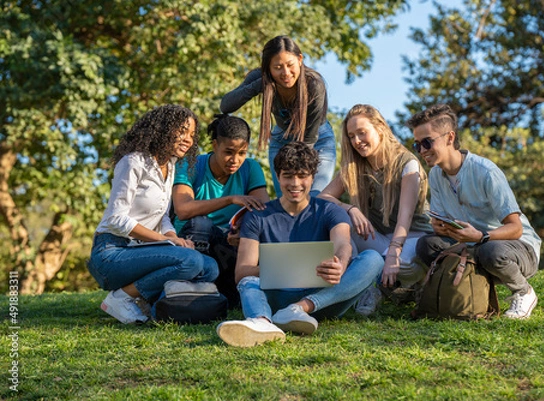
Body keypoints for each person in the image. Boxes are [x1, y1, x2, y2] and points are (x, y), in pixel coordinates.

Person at [216, 142, 383, 347]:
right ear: (277, 177)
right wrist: (288, 269)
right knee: (248, 282)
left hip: (323, 300)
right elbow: (242, 271)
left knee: (373, 259)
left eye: (302, 175)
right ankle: (261, 322)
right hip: (275, 299)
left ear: (313, 177)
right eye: (288, 175)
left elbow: (343, 244)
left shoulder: (330, 210)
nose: (295, 183)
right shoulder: (257, 215)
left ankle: (299, 309)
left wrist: (340, 263)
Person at [406, 104, 542, 319]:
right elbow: (444, 224)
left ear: (450, 138)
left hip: (515, 250)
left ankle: (523, 292)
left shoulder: (486, 171)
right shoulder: (435, 176)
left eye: (427, 142)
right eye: (417, 145)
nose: (422, 150)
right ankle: (463, 288)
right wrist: (440, 228)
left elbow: (515, 228)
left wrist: (481, 236)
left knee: (491, 251)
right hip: (472, 246)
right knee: (427, 244)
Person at [88, 105, 219, 324]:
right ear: (163, 129)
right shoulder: (133, 162)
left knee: (209, 267)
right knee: (191, 262)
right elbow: (116, 219)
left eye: (192, 135)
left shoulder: (171, 166)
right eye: (182, 131)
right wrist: (165, 240)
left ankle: (157, 308)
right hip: (112, 251)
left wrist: (172, 237)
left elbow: (163, 216)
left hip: (144, 250)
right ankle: (121, 298)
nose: (188, 139)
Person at [319, 104, 433, 314]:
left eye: (362, 133)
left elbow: (405, 218)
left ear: (380, 127)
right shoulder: (355, 166)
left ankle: (408, 282)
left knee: (404, 264)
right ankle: (368, 289)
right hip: (379, 239)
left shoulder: (407, 164)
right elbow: (322, 198)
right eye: (352, 136)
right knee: (338, 219)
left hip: (412, 239)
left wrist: (392, 256)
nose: (357, 141)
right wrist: (350, 208)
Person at [172, 114, 270, 306]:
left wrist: (244, 233)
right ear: (215, 145)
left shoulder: (250, 168)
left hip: (228, 246)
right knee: (201, 223)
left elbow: (264, 214)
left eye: (242, 153)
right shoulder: (190, 165)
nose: (235, 160)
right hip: (192, 243)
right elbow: (183, 209)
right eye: (229, 152)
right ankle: (193, 290)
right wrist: (230, 199)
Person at [220, 35, 336, 197]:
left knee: (314, 198)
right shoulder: (261, 78)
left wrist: (298, 176)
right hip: (281, 140)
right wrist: (260, 85)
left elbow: (308, 140)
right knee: (287, 200)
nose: (286, 73)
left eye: (290, 65)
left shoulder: (314, 85)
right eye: (278, 67)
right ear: (268, 68)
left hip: (317, 141)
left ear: (300, 59)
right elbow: (225, 106)